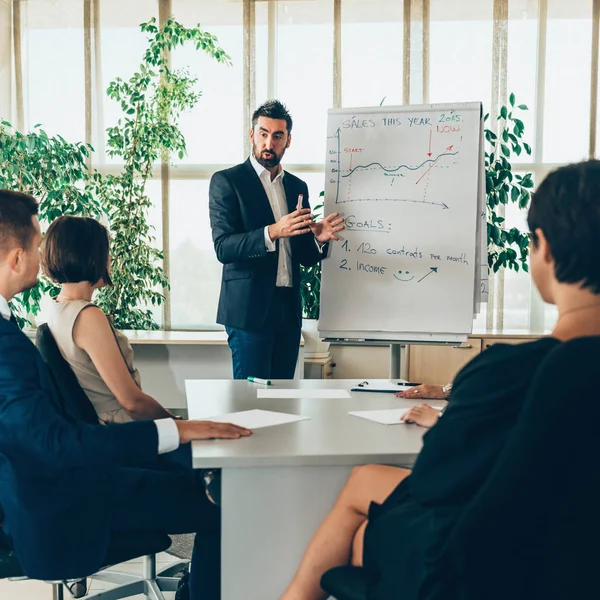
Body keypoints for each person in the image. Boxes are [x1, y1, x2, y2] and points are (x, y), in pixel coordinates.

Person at [282, 159, 600, 600]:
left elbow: (433, 484)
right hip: (576, 562)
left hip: (484, 570)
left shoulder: (508, 371)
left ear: (543, 247)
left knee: (361, 532)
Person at [0, 190, 252, 600]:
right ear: (16, 258)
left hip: (65, 479)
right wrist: (176, 429)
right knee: (225, 501)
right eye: (35, 243)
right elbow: (56, 443)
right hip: (65, 501)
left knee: (212, 479)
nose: (41, 254)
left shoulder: (38, 315)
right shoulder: (12, 341)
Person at [209, 100, 344, 380]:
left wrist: (317, 239)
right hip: (248, 311)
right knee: (250, 399)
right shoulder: (227, 181)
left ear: (288, 140)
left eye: (277, 136)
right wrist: (272, 231)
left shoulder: (297, 186)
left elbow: (304, 255)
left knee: (283, 397)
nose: (269, 143)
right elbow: (224, 247)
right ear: (252, 135)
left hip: (288, 309)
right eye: (263, 134)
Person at [41, 214, 174, 424]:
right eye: (106, 251)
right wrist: (177, 422)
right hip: (119, 430)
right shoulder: (87, 316)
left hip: (101, 426)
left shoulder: (57, 306)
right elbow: (132, 402)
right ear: (89, 256)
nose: (110, 258)